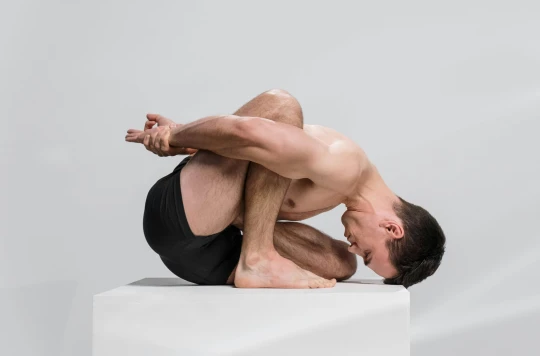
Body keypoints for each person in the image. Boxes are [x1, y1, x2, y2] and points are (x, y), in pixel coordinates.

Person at [125, 89, 445, 289]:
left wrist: (196, 146)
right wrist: (176, 135)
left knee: (341, 266)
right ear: (392, 228)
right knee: (283, 107)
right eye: (368, 252)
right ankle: (257, 256)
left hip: (206, 260)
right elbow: (249, 132)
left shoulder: (345, 192)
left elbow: (248, 168)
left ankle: (255, 254)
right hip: (178, 218)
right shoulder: (343, 165)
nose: (355, 250)